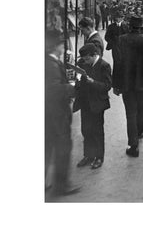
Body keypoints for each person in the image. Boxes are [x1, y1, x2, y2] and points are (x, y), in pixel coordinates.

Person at [45, 29, 80, 197]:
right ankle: (61, 186)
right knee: (62, 148)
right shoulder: (51, 65)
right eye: (61, 44)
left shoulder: (48, 61)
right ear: (55, 46)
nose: (63, 48)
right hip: (57, 114)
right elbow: (53, 89)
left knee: (47, 147)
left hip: (49, 114)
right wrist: (71, 87)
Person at [112, 15, 143, 157]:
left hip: (126, 83)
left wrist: (116, 85)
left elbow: (117, 63)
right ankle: (140, 131)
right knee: (141, 107)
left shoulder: (121, 40)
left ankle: (133, 145)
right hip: (142, 82)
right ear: (141, 26)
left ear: (129, 26)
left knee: (130, 112)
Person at [73, 43, 111, 170]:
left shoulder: (104, 66)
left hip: (97, 103)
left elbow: (107, 86)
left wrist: (93, 82)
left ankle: (99, 157)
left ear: (95, 55)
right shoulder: (84, 64)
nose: (85, 61)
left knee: (97, 131)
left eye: (87, 58)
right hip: (85, 102)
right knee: (86, 129)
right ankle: (88, 155)